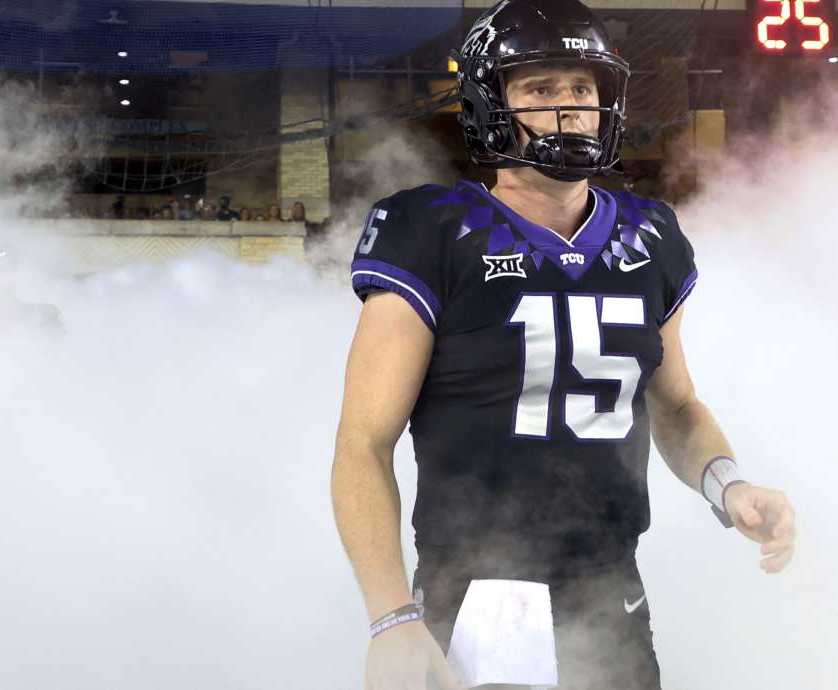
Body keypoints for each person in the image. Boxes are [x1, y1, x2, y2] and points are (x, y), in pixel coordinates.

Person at [330, 2, 798, 690]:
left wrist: (729, 486)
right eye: (540, 89)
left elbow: (674, 405)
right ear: (493, 105)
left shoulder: (649, 235)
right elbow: (363, 442)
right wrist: (390, 616)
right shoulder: (430, 228)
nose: (569, 108)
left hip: (612, 590)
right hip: (479, 599)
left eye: (582, 89)